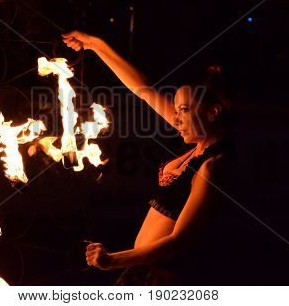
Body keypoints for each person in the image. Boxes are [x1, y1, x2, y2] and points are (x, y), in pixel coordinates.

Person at [63, 31, 235, 285]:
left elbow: (179, 241)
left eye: (184, 110)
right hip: (145, 272)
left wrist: (113, 260)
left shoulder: (212, 167)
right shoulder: (195, 144)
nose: (175, 119)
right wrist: (96, 45)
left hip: (169, 280)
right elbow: (144, 91)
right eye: (175, 110)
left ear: (213, 111)